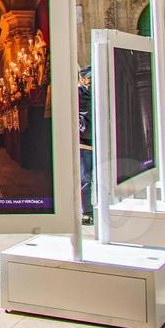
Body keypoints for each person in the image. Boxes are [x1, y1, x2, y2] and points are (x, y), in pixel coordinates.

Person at [78, 66, 94, 226]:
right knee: (85, 178)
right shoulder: (80, 93)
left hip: (99, 139)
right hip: (84, 141)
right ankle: (87, 211)